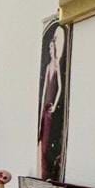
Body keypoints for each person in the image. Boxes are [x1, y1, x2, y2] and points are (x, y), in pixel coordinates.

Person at [37, 23, 64, 179]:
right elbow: (45, 90)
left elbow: (60, 87)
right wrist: (42, 107)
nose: (50, 50)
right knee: (42, 138)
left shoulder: (56, 65)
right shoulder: (48, 66)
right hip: (45, 108)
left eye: (52, 47)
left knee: (47, 141)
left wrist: (55, 104)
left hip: (49, 108)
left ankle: (47, 171)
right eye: (49, 48)